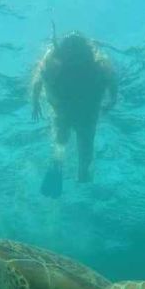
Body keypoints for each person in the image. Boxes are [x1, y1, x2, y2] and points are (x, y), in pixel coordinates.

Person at [31, 30, 117, 197]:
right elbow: (111, 81)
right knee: (84, 147)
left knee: (62, 141)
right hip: (85, 115)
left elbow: (39, 79)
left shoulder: (54, 63)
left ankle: (61, 165)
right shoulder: (99, 66)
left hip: (66, 112)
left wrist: (35, 102)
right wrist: (111, 101)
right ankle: (82, 176)